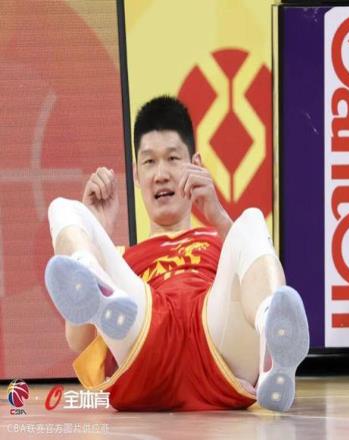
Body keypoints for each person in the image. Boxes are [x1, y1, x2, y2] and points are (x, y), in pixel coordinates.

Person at [44, 96, 309, 412]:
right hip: (145, 340)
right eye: (149, 162)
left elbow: (253, 259)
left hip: (217, 345)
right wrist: (97, 230)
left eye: (172, 158)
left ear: (196, 165)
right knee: (63, 207)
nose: (161, 174)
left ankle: (273, 344)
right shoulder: (122, 258)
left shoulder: (225, 239)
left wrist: (218, 216)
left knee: (251, 219)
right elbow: (78, 341)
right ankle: (88, 270)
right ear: (136, 175)